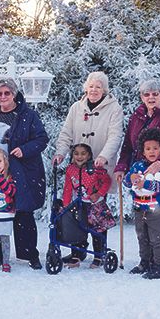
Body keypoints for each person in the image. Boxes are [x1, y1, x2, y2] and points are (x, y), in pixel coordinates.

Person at [52, 71, 124, 264]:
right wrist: (61, 152)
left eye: (98, 87)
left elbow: (115, 135)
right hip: (78, 168)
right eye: (91, 86)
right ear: (86, 88)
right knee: (77, 211)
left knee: (97, 213)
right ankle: (78, 251)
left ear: (104, 90)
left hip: (99, 169)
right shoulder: (77, 107)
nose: (94, 90)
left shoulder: (114, 108)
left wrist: (103, 156)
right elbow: (66, 132)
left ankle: (99, 252)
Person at [0, 79, 48, 269]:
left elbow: (42, 139)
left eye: (7, 93)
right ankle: (0, 255)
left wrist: (24, 150)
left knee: (23, 211)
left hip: (22, 170)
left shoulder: (28, 115)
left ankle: (29, 253)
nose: (3, 97)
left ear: (14, 94)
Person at [114, 79, 160, 275]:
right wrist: (122, 166)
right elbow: (128, 146)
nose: (151, 97)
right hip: (141, 177)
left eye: (155, 94)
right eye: (147, 94)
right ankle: (148, 261)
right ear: (142, 97)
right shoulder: (137, 117)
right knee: (145, 223)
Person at [123, 129, 160, 279]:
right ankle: (145, 262)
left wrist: (146, 184)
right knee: (142, 236)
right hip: (139, 207)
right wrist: (130, 177)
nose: (152, 151)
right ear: (143, 151)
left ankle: (158, 266)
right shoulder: (138, 166)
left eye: (155, 148)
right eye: (148, 149)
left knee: (156, 238)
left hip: (156, 208)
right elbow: (127, 182)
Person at [61, 144, 114, 268]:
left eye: (83, 153)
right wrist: (66, 204)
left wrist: (99, 193)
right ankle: (76, 256)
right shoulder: (70, 169)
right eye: (76, 153)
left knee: (98, 231)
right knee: (77, 229)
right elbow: (68, 188)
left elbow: (106, 181)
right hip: (80, 204)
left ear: (89, 155)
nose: (80, 156)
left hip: (96, 204)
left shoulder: (95, 168)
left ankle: (98, 256)